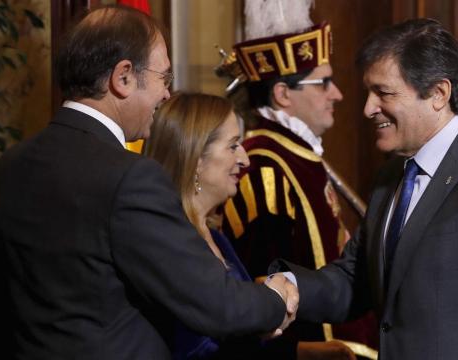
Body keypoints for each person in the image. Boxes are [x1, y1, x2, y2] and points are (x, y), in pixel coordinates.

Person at [0, 6, 298, 359]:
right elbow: (216, 303)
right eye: (163, 78)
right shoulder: (130, 177)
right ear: (123, 77)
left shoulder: (9, 166)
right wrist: (277, 297)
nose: (167, 95)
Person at [270, 18, 458, 359]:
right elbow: (355, 279)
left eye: (384, 93)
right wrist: (289, 286)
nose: (368, 108)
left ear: (438, 94)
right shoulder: (391, 176)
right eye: (368, 93)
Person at [144, 92, 355, 360]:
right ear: (196, 158)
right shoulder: (171, 242)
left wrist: (307, 352)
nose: (245, 159)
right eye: (233, 146)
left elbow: (244, 344)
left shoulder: (217, 240)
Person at [219, 1, 377, 358]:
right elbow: (256, 283)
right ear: (282, 94)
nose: (336, 93)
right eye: (324, 83)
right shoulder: (262, 165)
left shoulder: (297, 154)